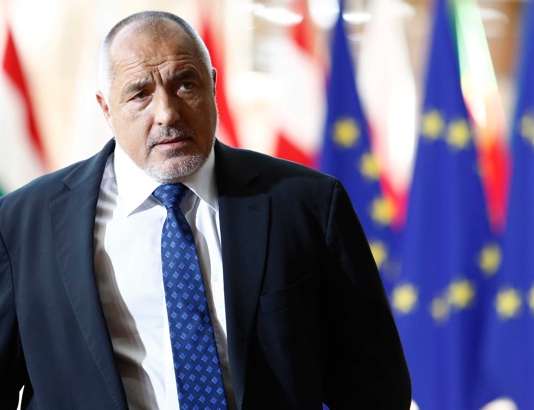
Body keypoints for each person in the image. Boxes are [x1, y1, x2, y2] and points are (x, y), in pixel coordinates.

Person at [0, 11, 410, 410]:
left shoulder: (308, 204)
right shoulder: (22, 224)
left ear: (212, 85)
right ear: (106, 107)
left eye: (185, 84)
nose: (167, 113)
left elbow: (375, 388)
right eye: (140, 94)